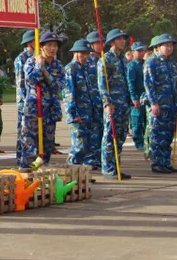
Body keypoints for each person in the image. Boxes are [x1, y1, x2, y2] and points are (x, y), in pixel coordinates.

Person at [19, 31, 64, 169]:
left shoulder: (58, 65)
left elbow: (58, 86)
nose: (53, 48)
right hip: (34, 109)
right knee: (30, 142)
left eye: (55, 46)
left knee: (47, 143)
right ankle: (28, 170)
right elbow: (31, 80)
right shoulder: (31, 62)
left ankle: (43, 170)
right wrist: (39, 66)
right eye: (50, 45)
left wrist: (45, 72)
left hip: (50, 109)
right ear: (42, 46)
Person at [98, 28, 133, 179]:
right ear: (112, 42)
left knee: (120, 136)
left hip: (123, 104)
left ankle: (117, 166)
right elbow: (102, 84)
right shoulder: (105, 59)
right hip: (112, 104)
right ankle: (108, 168)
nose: (122, 41)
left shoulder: (123, 59)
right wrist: (107, 103)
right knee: (109, 136)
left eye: (123, 39)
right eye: (119, 39)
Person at [143, 34, 177, 174]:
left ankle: (166, 162)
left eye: (171, 45)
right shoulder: (151, 62)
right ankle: (156, 163)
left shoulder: (171, 63)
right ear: (157, 48)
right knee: (156, 135)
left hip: (170, 105)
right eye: (166, 45)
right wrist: (153, 103)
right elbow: (148, 84)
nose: (169, 48)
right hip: (158, 105)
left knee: (167, 135)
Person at [64, 38, 100, 170]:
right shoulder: (70, 68)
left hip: (89, 113)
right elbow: (69, 94)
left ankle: (84, 173)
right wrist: (73, 114)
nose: (85, 56)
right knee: (79, 146)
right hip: (77, 114)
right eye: (82, 53)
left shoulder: (85, 68)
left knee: (89, 145)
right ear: (75, 53)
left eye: (87, 54)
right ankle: (69, 171)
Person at [12, 30, 35, 136]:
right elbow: (20, 81)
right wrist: (25, 100)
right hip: (25, 99)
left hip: (35, 98)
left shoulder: (38, 56)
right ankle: (21, 150)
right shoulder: (21, 58)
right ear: (29, 43)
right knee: (24, 128)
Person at [126, 41, 147, 151]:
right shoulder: (131, 66)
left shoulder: (146, 63)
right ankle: (138, 142)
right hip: (137, 97)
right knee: (137, 120)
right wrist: (134, 98)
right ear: (133, 52)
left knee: (146, 120)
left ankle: (145, 141)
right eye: (138, 51)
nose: (141, 53)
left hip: (146, 96)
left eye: (142, 50)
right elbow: (131, 83)